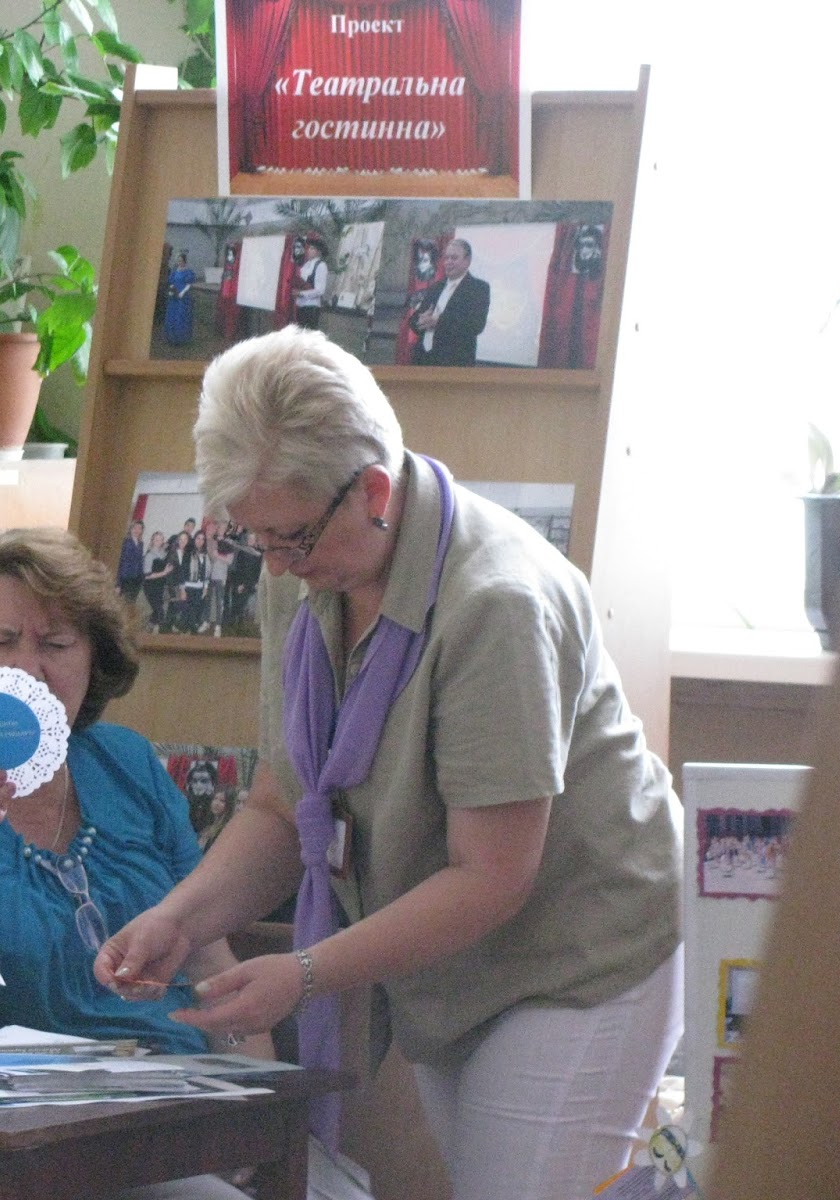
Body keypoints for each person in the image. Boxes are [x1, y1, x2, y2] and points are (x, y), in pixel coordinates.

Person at [95, 327, 684, 1200]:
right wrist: (179, 919)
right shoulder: (303, 566)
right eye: (256, 538)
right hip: (451, 956)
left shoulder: (497, 604)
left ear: (374, 491)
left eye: (291, 537)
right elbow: (282, 803)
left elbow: (492, 876)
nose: (277, 564)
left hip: (577, 953)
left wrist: (303, 975)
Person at [0, 527, 273, 1068]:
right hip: (3, 1100)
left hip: (177, 1085)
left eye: (57, 644)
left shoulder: (127, 762)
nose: (27, 668)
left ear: (95, 657)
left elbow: (210, 964)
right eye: (1, 641)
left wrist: (261, 1091)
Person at [408, 238, 491, 365]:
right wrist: (420, 320)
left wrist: (437, 322)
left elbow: (476, 325)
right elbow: (414, 320)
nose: (448, 262)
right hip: (423, 361)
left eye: (454, 258)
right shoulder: (436, 287)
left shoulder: (478, 288)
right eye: (446, 258)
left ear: (467, 261)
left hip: (453, 363)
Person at [141, 530, 174, 633]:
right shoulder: (149, 555)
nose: (159, 542)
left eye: (161, 540)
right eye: (156, 540)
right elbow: (147, 575)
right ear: (152, 541)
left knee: (156, 611)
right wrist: (164, 573)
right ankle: (159, 632)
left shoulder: (163, 553)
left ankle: (148, 628)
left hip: (160, 586)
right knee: (160, 611)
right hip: (150, 587)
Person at [293, 237, 329, 330]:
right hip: (300, 306)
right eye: (308, 248)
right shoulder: (306, 265)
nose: (309, 250)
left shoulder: (321, 266)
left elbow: (320, 290)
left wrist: (301, 293)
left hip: (311, 308)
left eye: (312, 248)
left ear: (318, 251)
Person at [163, 251, 197, 346]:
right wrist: (171, 289)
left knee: (181, 315)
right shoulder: (175, 271)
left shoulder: (188, 272)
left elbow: (189, 284)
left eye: (181, 261)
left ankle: (181, 338)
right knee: (172, 315)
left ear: (184, 261)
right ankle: (171, 337)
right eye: (178, 261)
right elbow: (172, 282)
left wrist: (183, 292)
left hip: (183, 296)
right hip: (174, 296)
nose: (179, 262)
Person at [117, 518, 145, 605]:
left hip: (136, 579)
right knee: (122, 603)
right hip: (126, 577)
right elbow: (122, 562)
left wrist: (141, 578)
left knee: (131, 604)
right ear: (131, 528)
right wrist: (118, 583)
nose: (137, 530)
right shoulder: (126, 542)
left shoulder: (140, 543)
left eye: (139, 528)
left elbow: (140, 562)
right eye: (135, 527)